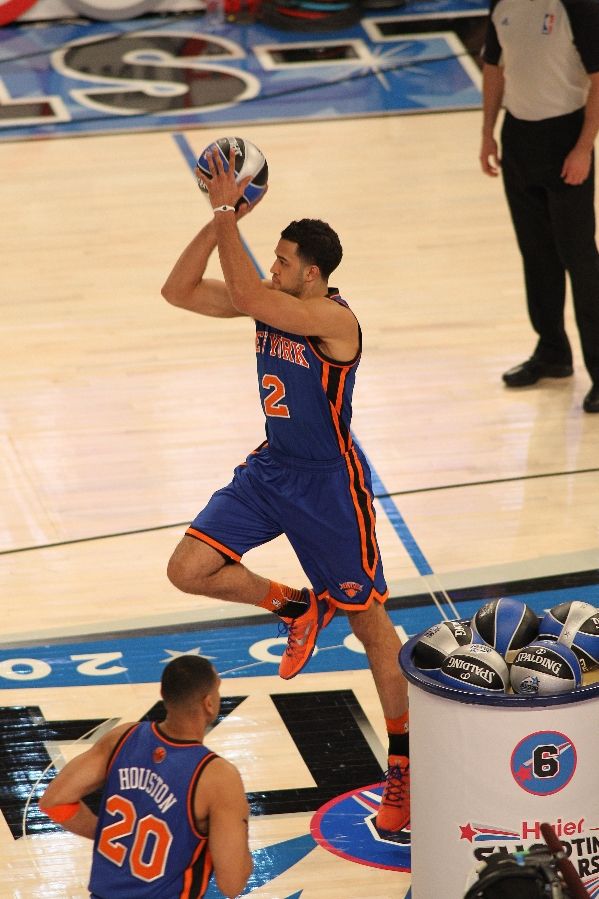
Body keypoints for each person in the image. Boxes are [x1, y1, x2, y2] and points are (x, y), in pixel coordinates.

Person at [161, 146, 410, 840]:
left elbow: (245, 293)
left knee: (373, 630)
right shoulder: (270, 304)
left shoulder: (333, 321)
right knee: (187, 569)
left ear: (313, 272)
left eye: (280, 259)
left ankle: (405, 766)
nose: (270, 267)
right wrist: (220, 223)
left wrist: (224, 209)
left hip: (330, 487)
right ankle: (297, 606)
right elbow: (178, 291)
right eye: (268, 256)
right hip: (271, 470)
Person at [39, 655, 252, 899]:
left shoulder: (123, 737)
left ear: (163, 694)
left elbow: (55, 802)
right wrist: (240, 822)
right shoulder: (217, 777)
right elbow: (232, 883)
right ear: (209, 704)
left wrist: (109, 835)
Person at [479, 0, 599, 413]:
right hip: (519, 138)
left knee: (579, 258)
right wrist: (487, 134)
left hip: (566, 135)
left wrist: (584, 147)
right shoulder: (501, 4)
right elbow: (494, 68)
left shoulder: (579, 6)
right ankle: (552, 353)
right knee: (536, 253)